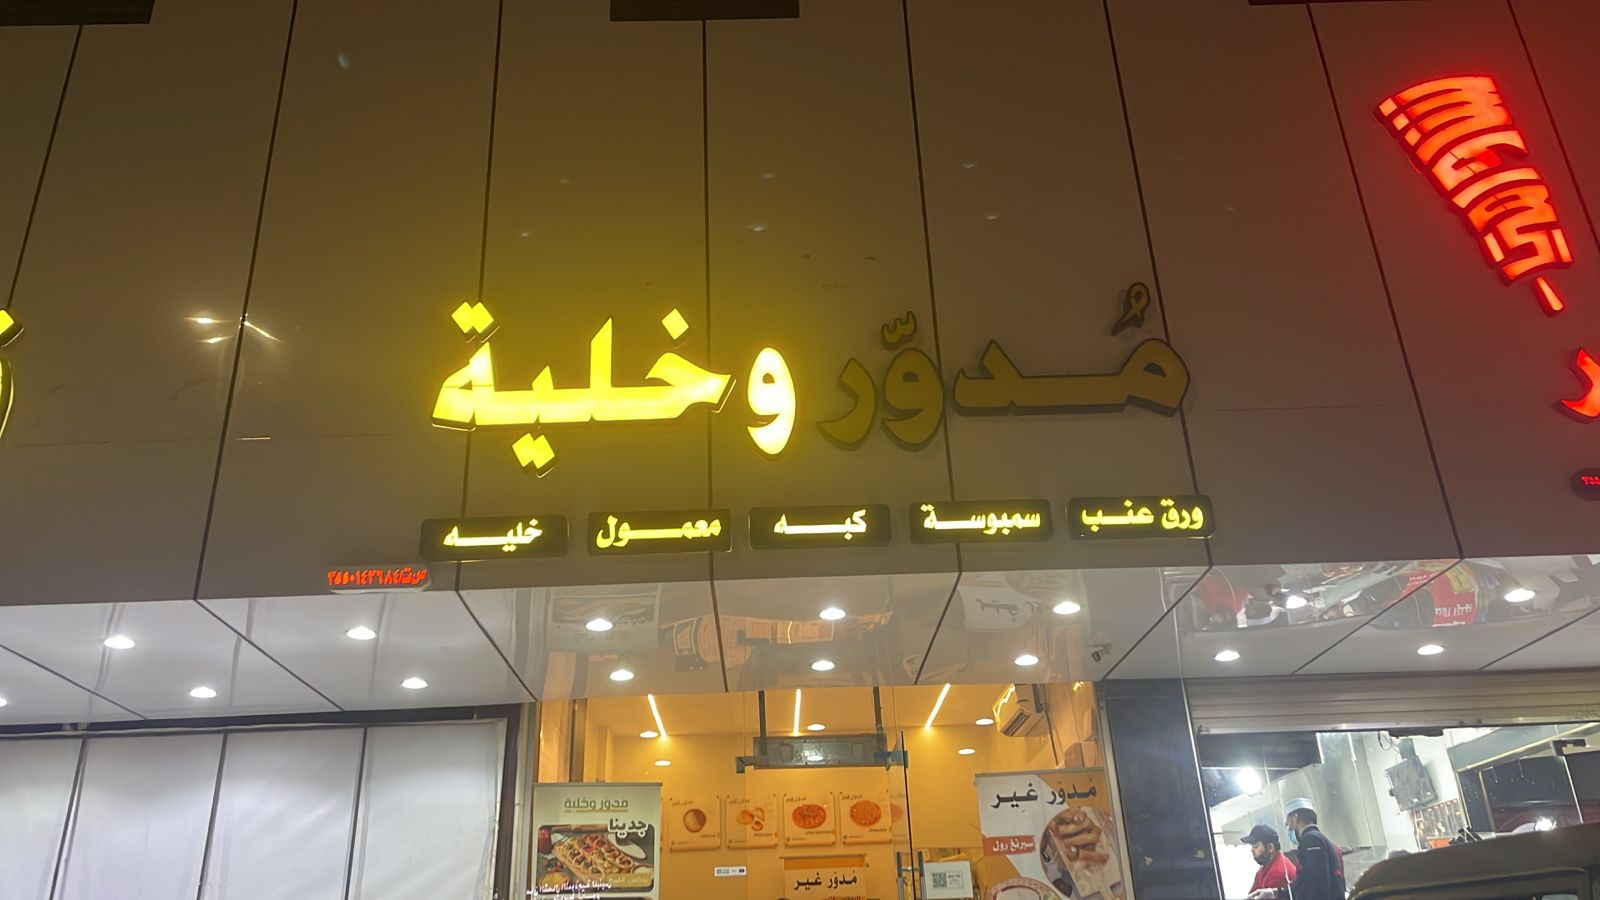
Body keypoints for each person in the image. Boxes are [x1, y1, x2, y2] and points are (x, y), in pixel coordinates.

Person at [1282, 798, 1346, 900]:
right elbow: (1305, 878)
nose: (1288, 827)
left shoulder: (1311, 840)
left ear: (1295, 818)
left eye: (1288, 824)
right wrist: (1276, 892)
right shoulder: (1320, 838)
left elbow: (1317, 885)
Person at [1241, 824, 1296, 899]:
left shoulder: (1277, 873)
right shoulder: (1265, 868)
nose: (1252, 851)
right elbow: (1251, 895)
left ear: (1270, 847)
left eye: (1256, 847)